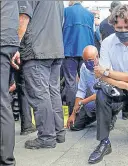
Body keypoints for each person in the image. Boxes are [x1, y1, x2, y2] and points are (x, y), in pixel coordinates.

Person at [88, 4, 128, 164]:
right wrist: (126, 86)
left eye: (127, 27)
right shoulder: (107, 43)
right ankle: (104, 142)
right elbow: (103, 79)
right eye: (119, 27)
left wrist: (106, 72)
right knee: (102, 93)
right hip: (119, 86)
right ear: (113, 26)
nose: (123, 31)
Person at [17, 1, 66, 149]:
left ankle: (46, 137)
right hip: (55, 48)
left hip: (37, 50)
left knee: (40, 95)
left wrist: (15, 47)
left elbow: (23, 19)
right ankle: (58, 132)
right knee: (53, 92)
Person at [67, 46, 120, 131]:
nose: (87, 63)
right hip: (93, 103)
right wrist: (73, 114)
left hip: (110, 100)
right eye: (85, 60)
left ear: (97, 57)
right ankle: (98, 116)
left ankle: (110, 117)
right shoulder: (84, 68)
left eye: (90, 60)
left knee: (104, 99)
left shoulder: (106, 66)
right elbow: (81, 91)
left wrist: (82, 102)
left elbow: (102, 93)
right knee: (75, 126)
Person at [62, 1, 95, 116]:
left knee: (70, 82)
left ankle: (73, 112)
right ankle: (89, 111)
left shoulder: (65, 11)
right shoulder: (90, 14)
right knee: (88, 81)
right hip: (87, 53)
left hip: (69, 51)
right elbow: (93, 33)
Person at [0, 1, 20, 165]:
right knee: (3, 99)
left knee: (2, 101)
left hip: (2, 42)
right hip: (9, 43)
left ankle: (6, 158)